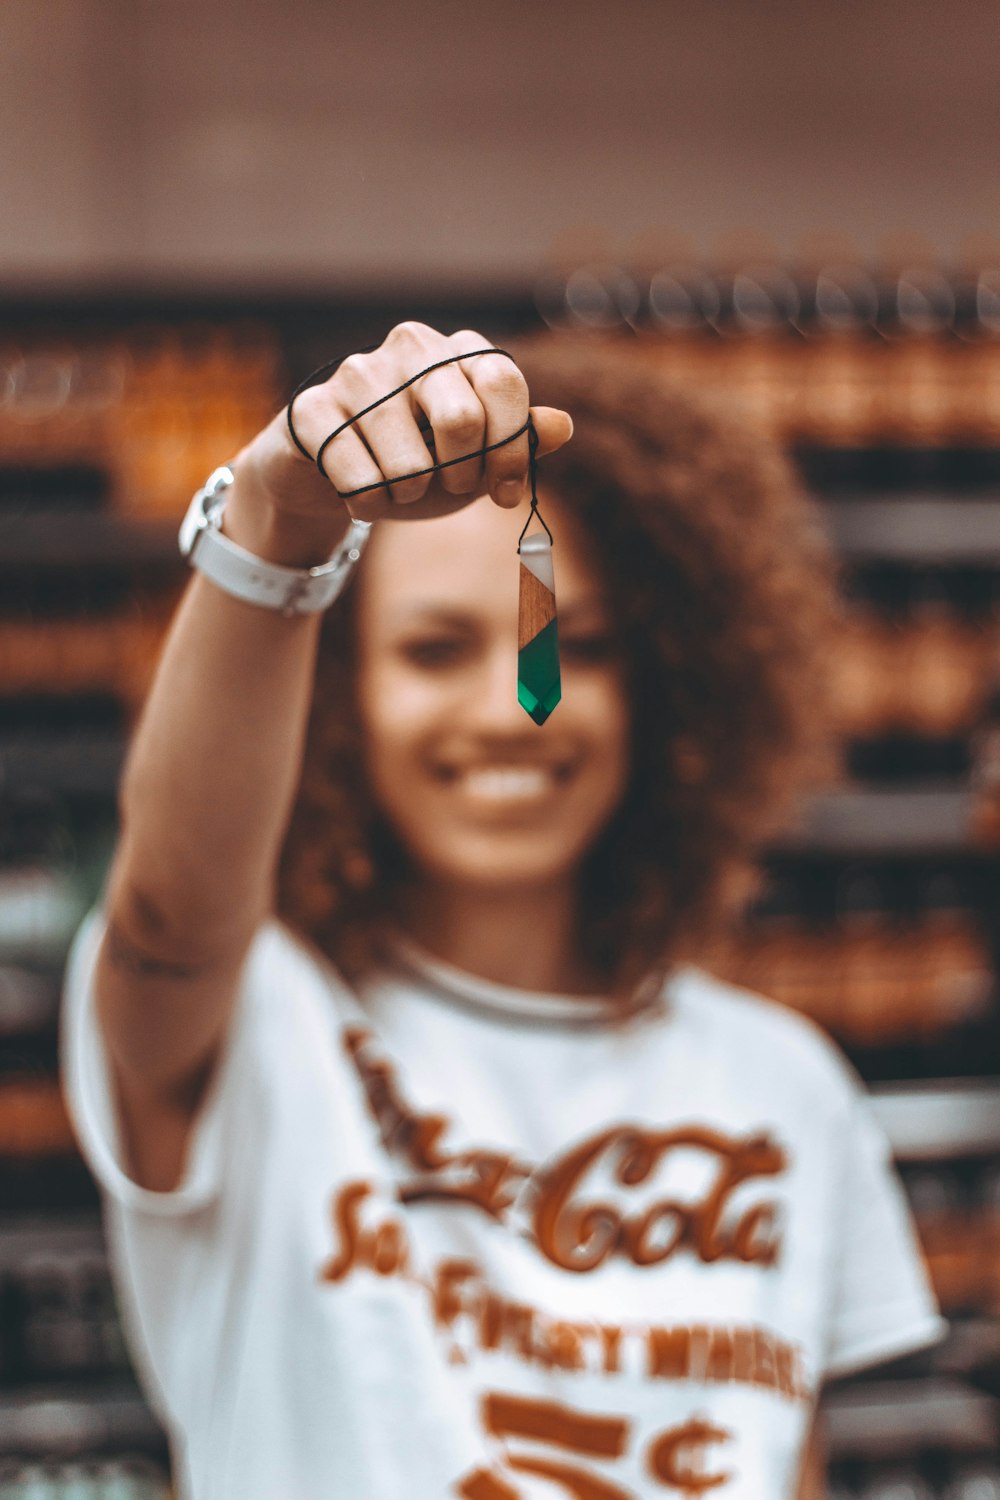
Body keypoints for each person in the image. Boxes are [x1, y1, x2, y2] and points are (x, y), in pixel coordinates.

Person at [62, 322, 944, 1500]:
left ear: (673, 689)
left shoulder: (786, 1083)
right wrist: (279, 528)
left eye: (576, 644)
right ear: (338, 698)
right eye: (433, 649)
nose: (515, 707)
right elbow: (172, 904)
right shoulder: (256, 1024)